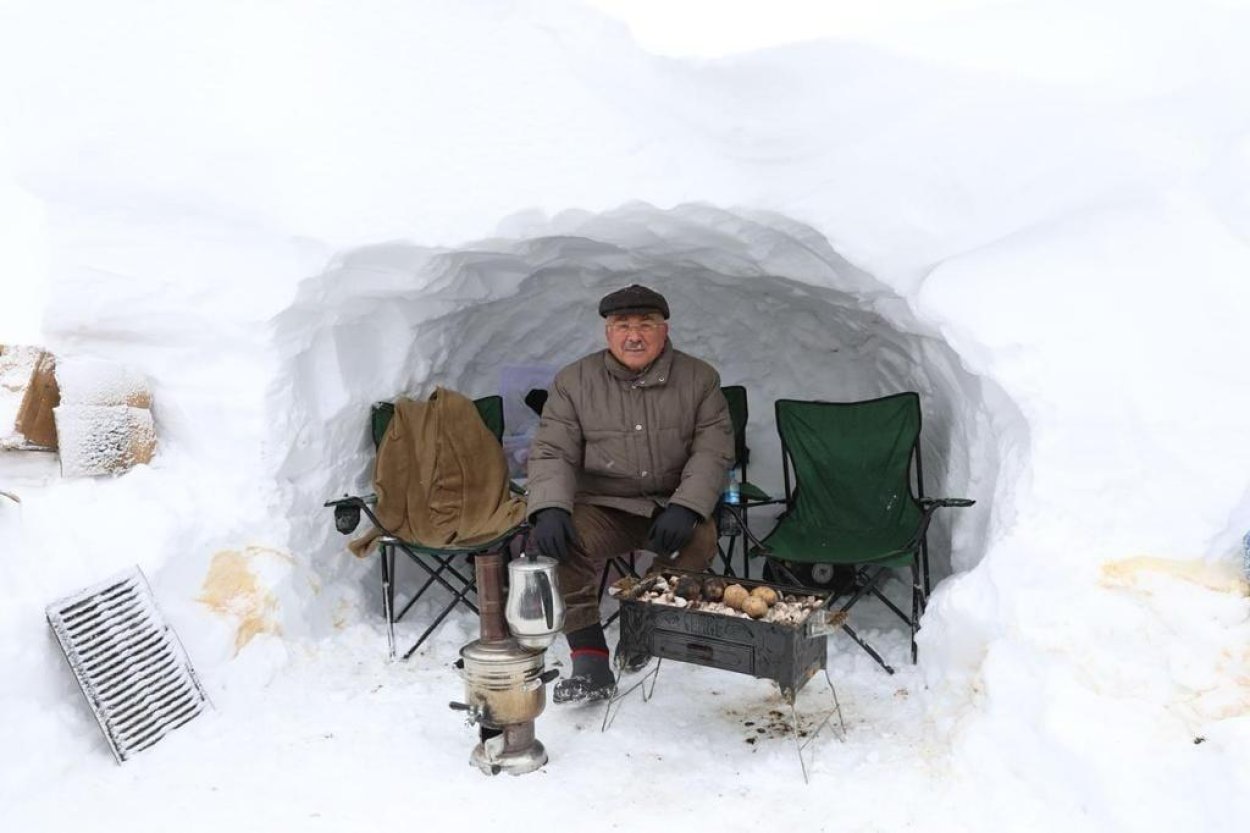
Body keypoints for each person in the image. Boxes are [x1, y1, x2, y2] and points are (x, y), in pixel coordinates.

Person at [525, 284, 735, 703]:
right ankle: (590, 662)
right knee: (562, 540)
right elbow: (552, 451)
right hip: (604, 505)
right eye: (622, 325)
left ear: (664, 330)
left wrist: (687, 506)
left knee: (700, 539)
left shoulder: (700, 378)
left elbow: (714, 450)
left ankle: (643, 630)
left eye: (646, 325)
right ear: (608, 332)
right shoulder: (573, 381)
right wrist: (549, 507)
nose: (634, 336)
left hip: (669, 505)